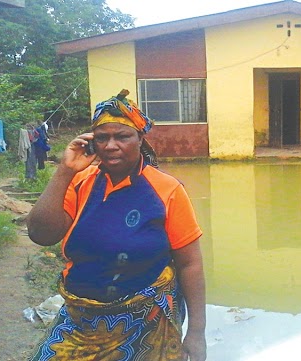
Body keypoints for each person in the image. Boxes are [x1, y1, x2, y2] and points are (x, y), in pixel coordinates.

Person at [26, 89, 206, 361]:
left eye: (122, 136)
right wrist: (65, 170)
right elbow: (41, 234)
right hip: (80, 319)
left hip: (147, 320)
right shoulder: (81, 181)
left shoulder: (167, 190)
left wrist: (196, 332)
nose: (111, 145)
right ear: (92, 142)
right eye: (102, 138)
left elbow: (190, 263)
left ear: (140, 139)